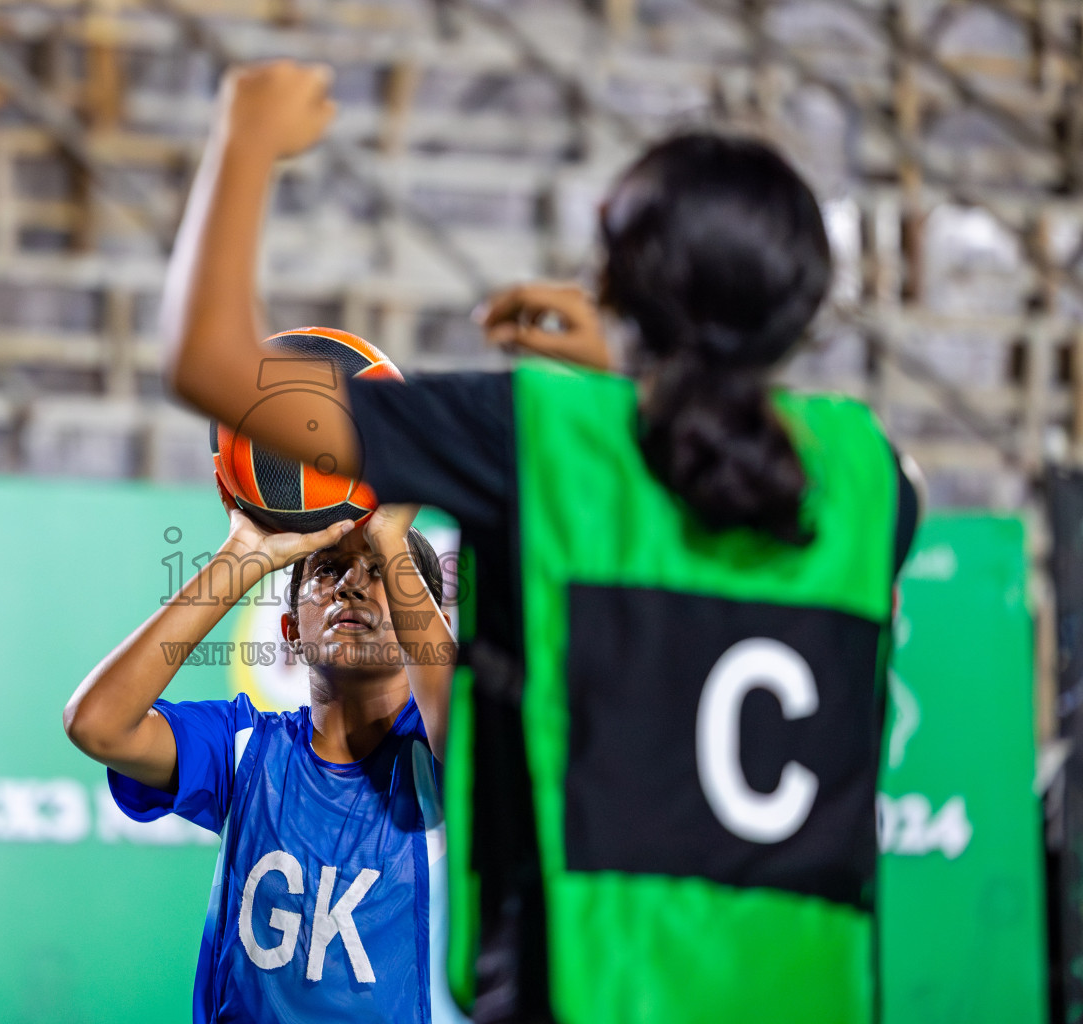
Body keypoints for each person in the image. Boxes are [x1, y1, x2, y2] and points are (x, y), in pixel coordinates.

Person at [157, 61, 921, 1024]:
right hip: (805, 996)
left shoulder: (545, 438)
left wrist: (247, 135)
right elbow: (722, 459)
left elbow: (211, 362)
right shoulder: (873, 476)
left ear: (621, 282)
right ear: (804, 301)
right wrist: (636, 368)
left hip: (590, 986)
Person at [64, 487, 466, 1024]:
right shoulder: (244, 747)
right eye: (327, 571)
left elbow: (472, 745)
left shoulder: (442, 761)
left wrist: (390, 537)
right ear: (290, 630)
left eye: (379, 571)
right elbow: (97, 724)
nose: (350, 583)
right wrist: (243, 555)